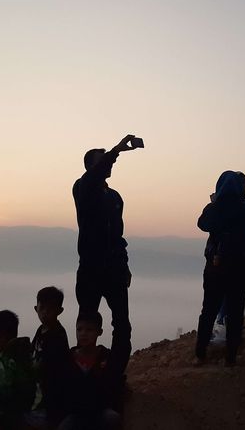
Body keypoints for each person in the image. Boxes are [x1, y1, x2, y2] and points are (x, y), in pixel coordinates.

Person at [73, 135, 142, 375]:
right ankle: (82, 374)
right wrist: (116, 150)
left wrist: (124, 265)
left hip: (113, 269)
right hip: (91, 269)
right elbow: (93, 178)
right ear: (92, 166)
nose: (110, 164)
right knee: (86, 325)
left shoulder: (115, 197)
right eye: (103, 162)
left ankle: (113, 374)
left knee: (122, 325)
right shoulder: (82, 187)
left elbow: (117, 237)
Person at [195, 171, 245, 366]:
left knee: (209, 309)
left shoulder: (214, 209)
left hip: (216, 266)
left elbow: (202, 224)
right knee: (236, 309)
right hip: (241, 266)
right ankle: (231, 355)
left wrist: (215, 204)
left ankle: (200, 353)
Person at [57, 311, 124, 430]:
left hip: (100, 411)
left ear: (99, 332)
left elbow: (114, 385)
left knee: (113, 418)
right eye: (79, 329)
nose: (83, 334)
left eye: (89, 330)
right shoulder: (68, 358)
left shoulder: (106, 357)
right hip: (76, 414)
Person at [31, 287, 70, 426]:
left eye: (50, 309)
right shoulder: (40, 330)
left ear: (59, 311)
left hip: (52, 395)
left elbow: (53, 365)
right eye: (42, 308)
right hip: (38, 390)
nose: (45, 313)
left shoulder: (58, 334)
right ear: (36, 308)